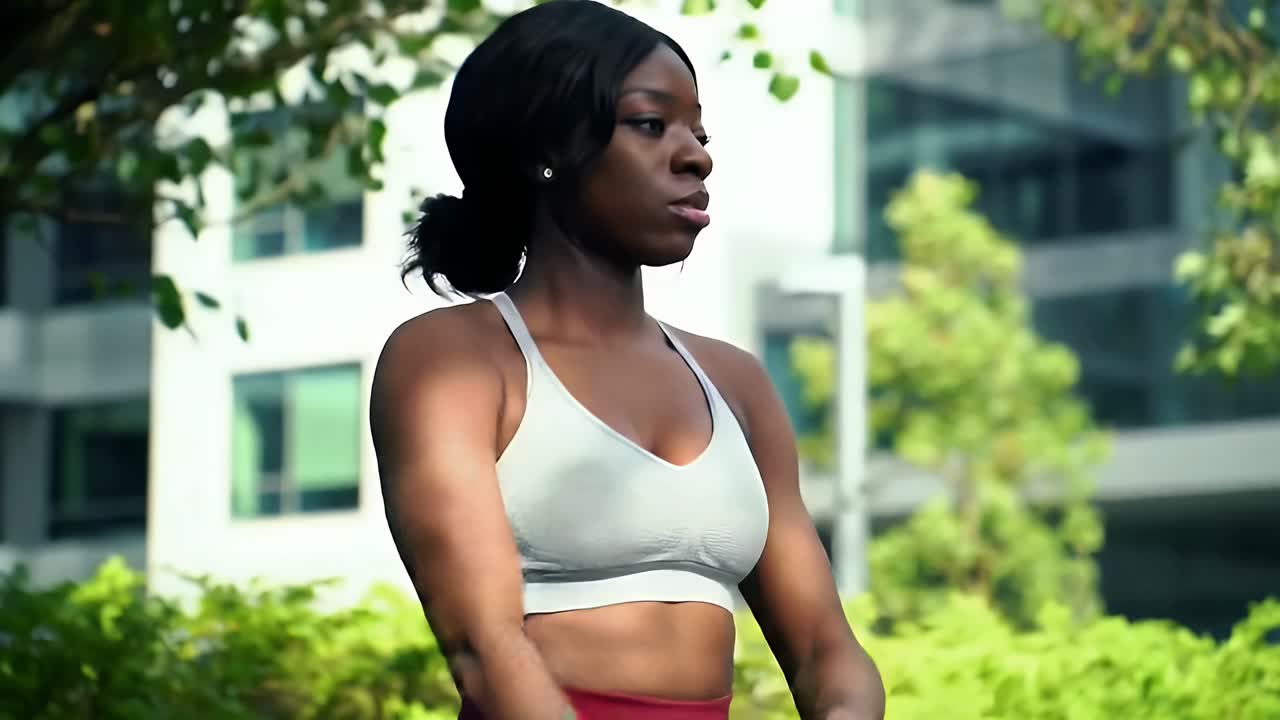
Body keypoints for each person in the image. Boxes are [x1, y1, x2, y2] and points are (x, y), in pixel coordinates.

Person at [369, 2, 885, 718]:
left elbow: (829, 651)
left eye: (699, 133)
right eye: (651, 124)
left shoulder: (735, 382)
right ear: (544, 148)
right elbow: (483, 649)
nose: (696, 155)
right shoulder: (450, 360)